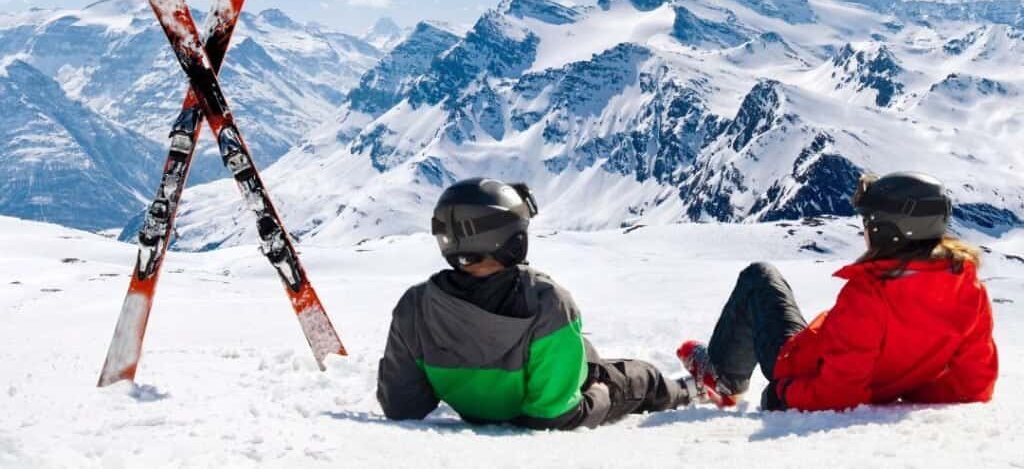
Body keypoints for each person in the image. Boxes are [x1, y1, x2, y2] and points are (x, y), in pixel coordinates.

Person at [377, 177, 698, 429]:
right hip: (567, 387)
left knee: (582, 354)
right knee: (641, 377)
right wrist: (599, 389)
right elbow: (554, 416)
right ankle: (693, 390)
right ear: (513, 239)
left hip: (517, 384)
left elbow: (401, 406)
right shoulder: (548, 304)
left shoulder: (414, 306)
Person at [677, 171, 998, 412]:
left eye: (869, 222)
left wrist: (785, 392)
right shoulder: (969, 290)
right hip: (836, 359)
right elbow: (974, 385)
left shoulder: (870, 295)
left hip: (796, 365)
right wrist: (904, 389)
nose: (865, 230)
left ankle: (722, 377)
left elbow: (838, 392)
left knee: (760, 277)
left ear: (888, 231)